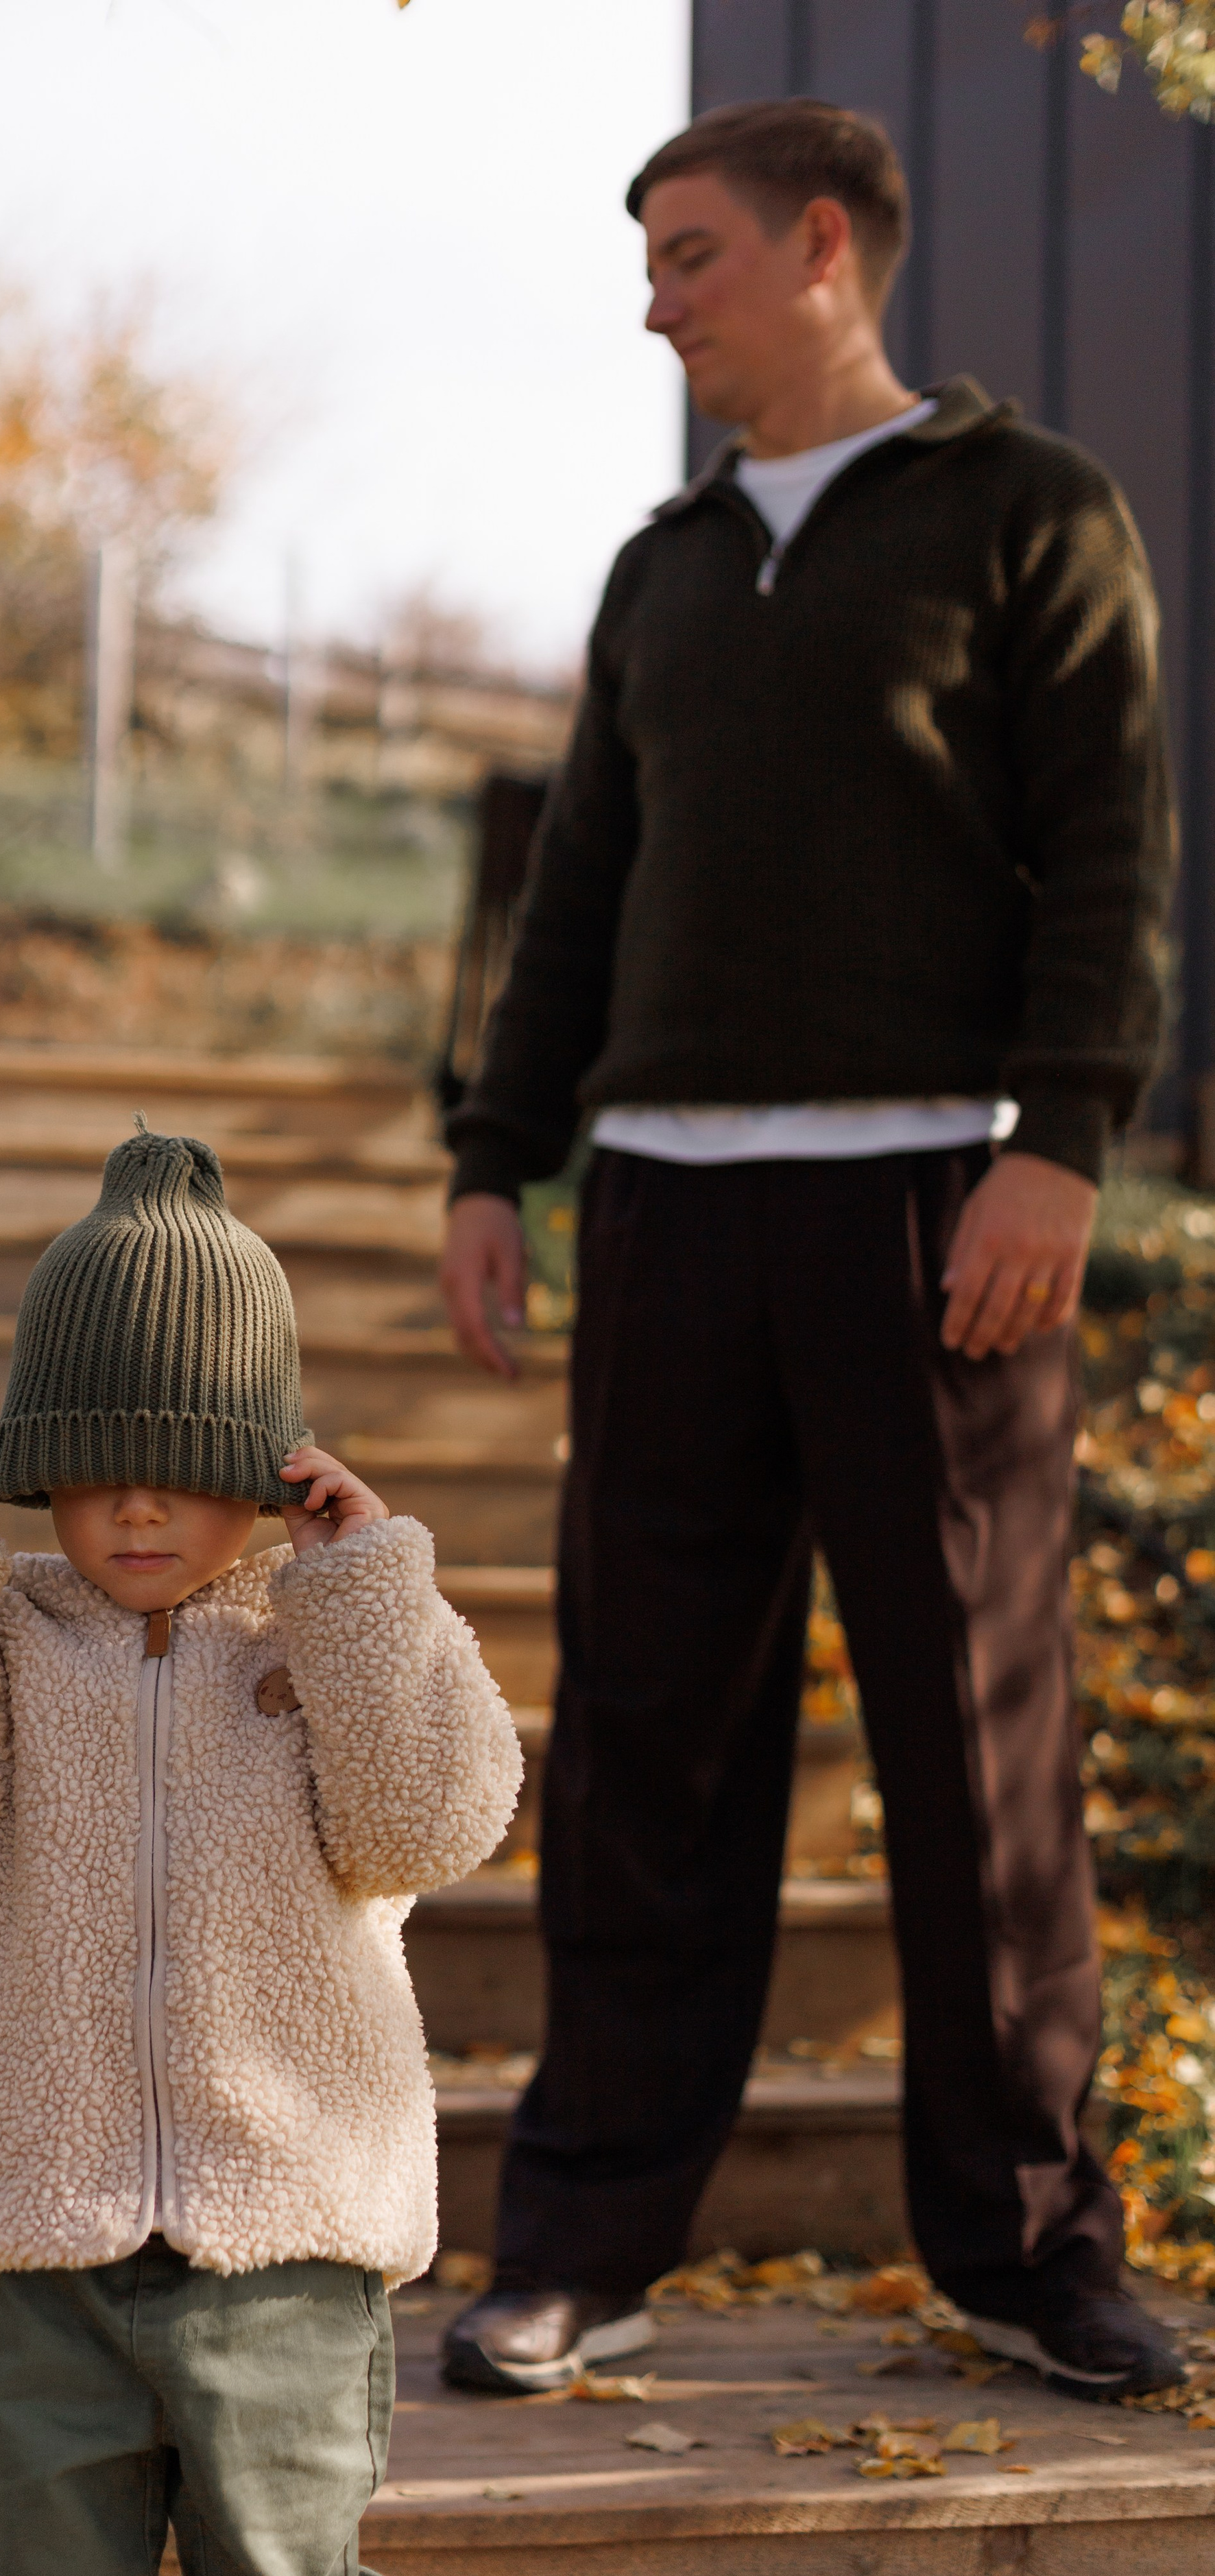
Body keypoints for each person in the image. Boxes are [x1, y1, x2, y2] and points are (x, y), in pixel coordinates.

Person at [437, 97, 1183, 2403]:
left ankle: (1036, 2247)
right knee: (651, 1737)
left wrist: (1056, 1145)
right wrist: (497, 1156)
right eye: (649, 258)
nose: (653, 299)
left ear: (823, 246)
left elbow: (1111, 851)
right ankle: (582, 2242)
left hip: (928, 1212)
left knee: (979, 1745)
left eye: (689, 254)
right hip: (665, 1208)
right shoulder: (660, 569)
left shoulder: (1025, 513)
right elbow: (581, 899)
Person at [0, 1127, 522, 2576]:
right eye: (96, 1478)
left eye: (177, 1475)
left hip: (287, 2247)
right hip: (36, 2246)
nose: (138, 1515)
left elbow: (434, 1824)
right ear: (36, 1474)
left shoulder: (322, 1643)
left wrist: (364, 1597)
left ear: (263, 1467)